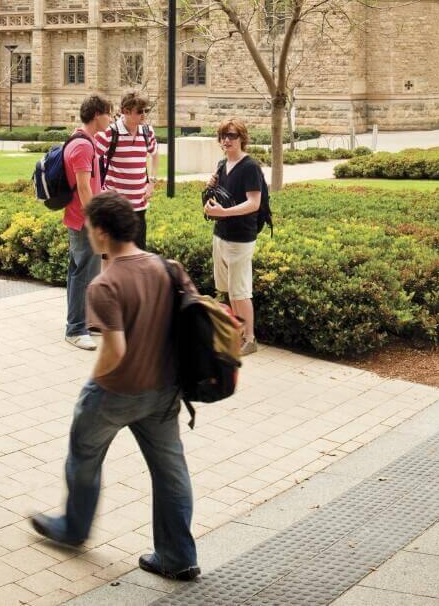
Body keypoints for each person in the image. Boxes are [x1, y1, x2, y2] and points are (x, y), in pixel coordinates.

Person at [31, 192, 201, 580]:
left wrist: (96, 381)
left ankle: (73, 529)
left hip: (116, 393)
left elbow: (115, 349)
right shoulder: (166, 267)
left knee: (84, 456)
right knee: (170, 471)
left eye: (90, 227)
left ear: (103, 232)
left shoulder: (105, 284)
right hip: (164, 393)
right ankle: (178, 558)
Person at [204, 118, 263, 356]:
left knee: (240, 290)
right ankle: (236, 334)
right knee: (229, 290)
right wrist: (210, 193)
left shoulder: (250, 167)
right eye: (223, 136)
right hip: (221, 233)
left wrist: (224, 212)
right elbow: (220, 196)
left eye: (232, 136)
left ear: (242, 139)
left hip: (240, 237)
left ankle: (250, 339)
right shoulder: (221, 164)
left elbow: (254, 203)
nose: (227, 140)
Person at [63, 93, 113, 350]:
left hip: (79, 218)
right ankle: (76, 329)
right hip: (83, 221)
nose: (111, 119)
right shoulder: (83, 145)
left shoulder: (81, 140)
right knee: (84, 275)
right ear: (97, 115)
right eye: (108, 113)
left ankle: (77, 325)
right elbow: (83, 187)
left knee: (78, 273)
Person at [95, 91, 159, 249]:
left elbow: (155, 155)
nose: (144, 115)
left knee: (138, 254)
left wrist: (151, 182)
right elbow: (91, 160)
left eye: (146, 111)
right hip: (115, 208)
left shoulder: (147, 132)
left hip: (139, 206)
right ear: (125, 111)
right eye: (140, 111)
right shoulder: (110, 133)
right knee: (112, 254)